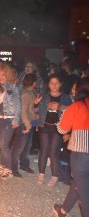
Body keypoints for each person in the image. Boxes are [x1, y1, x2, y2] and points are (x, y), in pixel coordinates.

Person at [53, 78, 89, 217]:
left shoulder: (76, 106)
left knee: (85, 196)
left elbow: (62, 129)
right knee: (79, 183)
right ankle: (63, 211)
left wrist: (60, 117)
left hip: (81, 155)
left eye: (75, 89)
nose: (73, 91)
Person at [36, 74, 72, 187]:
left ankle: (54, 175)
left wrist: (59, 107)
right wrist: (36, 104)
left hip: (58, 128)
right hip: (44, 126)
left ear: (60, 84)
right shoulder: (44, 96)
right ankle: (41, 173)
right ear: (49, 84)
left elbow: (72, 111)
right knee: (44, 150)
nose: (54, 85)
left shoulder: (65, 97)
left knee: (53, 152)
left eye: (56, 83)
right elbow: (37, 111)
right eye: (52, 83)